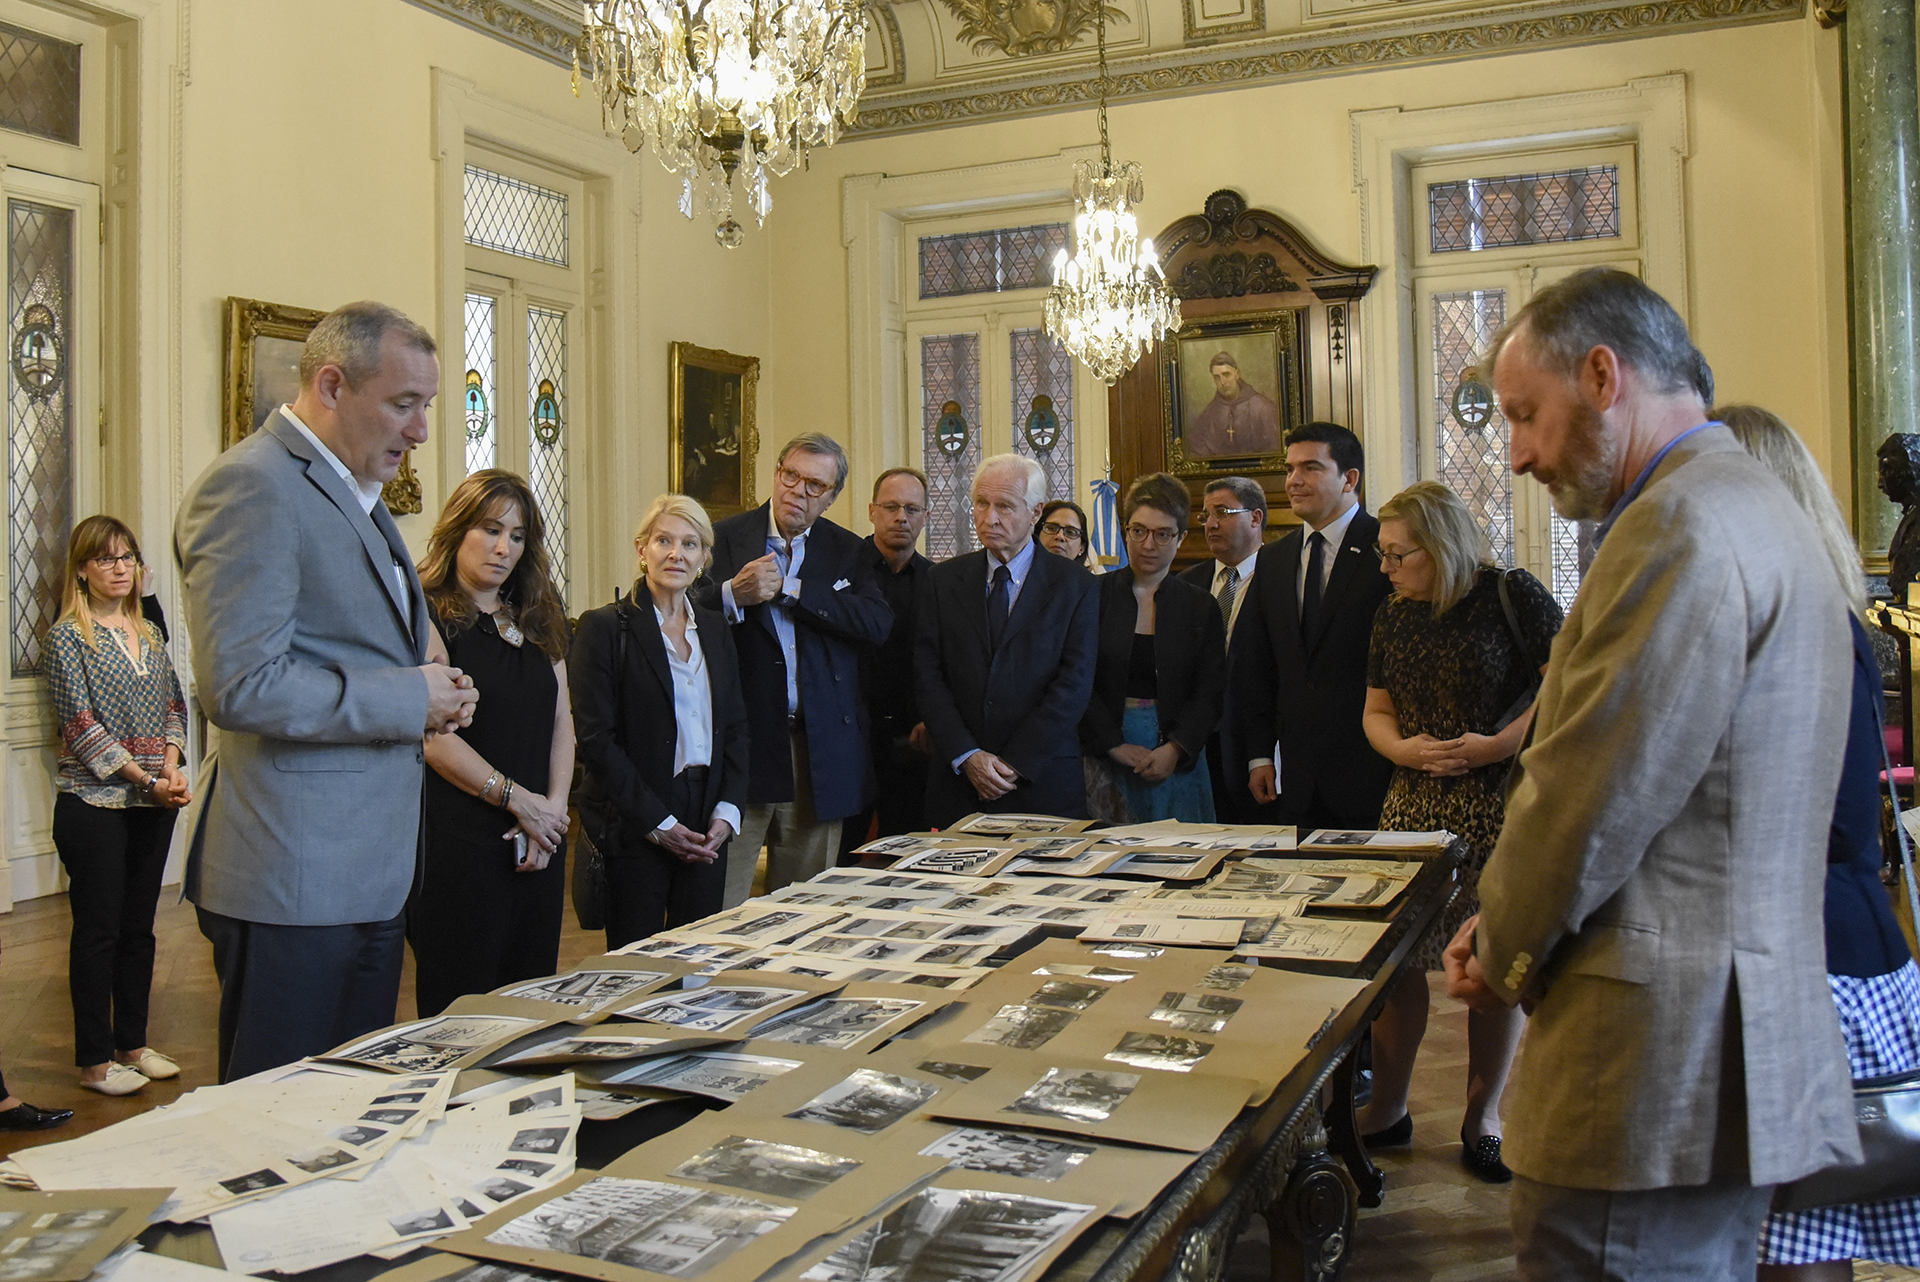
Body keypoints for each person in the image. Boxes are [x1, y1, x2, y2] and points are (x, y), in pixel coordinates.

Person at [1442, 267, 1858, 1278]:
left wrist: (1503, 946)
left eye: (1526, 415)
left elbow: (1589, 795)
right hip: (1723, 1032)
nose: (1522, 453)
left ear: (1601, 374)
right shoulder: (1759, 503)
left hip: (1646, 1062)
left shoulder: (1676, 524)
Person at [175, 300, 477, 1083]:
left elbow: (355, 645)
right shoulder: (253, 486)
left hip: (361, 872)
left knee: (343, 1110)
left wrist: (435, 687)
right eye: (404, 405)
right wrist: (410, 700)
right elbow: (241, 686)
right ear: (334, 386)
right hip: (291, 873)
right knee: (275, 1125)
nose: (418, 431)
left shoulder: (353, 491)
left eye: (427, 408)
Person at [1719, 404, 1920, 1279]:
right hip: (1831, 943)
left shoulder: (1797, 622)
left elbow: (1818, 824)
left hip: (1809, 958)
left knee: (1796, 1244)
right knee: (1801, 1237)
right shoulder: (1817, 608)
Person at [1353, 481, 1561, 1181]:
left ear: (1439, 546)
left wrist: (1496, 745)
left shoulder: (1512, 595)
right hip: (1412, 802)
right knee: (1397, 963)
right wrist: (1405, 750)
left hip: (1496, 801)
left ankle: (1483, 1119)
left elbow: (1566, 687)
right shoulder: (1392, 613)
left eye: (1397, 554)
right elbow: (1376, 710)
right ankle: (1387, 1108)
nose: (1386, 567)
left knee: (1490, 965)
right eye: (1382, 554)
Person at [699, 433, 892, 904]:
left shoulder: (849, 551)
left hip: (817, 749)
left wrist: (795, 589)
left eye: (814, 485)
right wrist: (730, 595)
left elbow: (876, 622)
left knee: (802, 907)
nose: (797, 491)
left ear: (831, 497)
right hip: (741, 748)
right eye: (791, 476)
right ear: (776, 471)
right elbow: (677, 613)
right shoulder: (722, 537)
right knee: (720, 904)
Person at [409, 471, 574, 1017]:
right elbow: (433, 739)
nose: (504, 547)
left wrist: (549, 813)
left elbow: (562, 723)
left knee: (529, 1006)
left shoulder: (537, 615)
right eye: (490, 529)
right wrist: (518, 802)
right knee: (461, 1009)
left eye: (519, 535)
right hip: (461, 844)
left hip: (538, 842)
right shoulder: (427, 615)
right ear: (458, 528)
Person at [42, 515, 193, 1096]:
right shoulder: (66, 638)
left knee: (140, 930)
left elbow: (175, 705)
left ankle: (132, 1043)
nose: (120, 567)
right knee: (98, 931)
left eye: (127, 556)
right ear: (82, 569)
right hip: (94, 802)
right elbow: (80, 726)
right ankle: (95, 1062)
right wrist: (144, 777)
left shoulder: (149, 634)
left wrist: (172, 766)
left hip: (154, 800)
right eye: (105, 559)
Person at [573, 495, 750, 948]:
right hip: (639, 816)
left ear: (704, 558)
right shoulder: (605, 628)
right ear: (641, 550)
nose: (677, 554)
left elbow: (735, 728)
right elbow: (596, 741)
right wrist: (659, 823)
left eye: (690, 544)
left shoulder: (716, 628)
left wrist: (727, 813)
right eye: (664, 541)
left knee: (697, 958)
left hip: (707, 811)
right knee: (638, 961)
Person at [916, 453, 1099, 826]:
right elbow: (927, 676)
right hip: (959, 784)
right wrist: (967, 755)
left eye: (1004, 506)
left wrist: (1014, 763)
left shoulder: (1075, 585)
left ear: (1036, 512)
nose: (989, 518)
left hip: (1041, 781)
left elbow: (1073, 685)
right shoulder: (942, 580)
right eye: (981, 504)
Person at [1235, 422, 1394, 831]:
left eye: (1310, 468)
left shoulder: (1387, 550)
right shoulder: (1274, 559)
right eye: (1289, 469)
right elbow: (1257, 664)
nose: (1293, 481)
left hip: (1375, 772)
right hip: (1297, 780)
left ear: (1349, 479)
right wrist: (1259, 755)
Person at [1080, 472, 1224, 823]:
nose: (1148, 545)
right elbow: (1076, 679)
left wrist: (1175, 750)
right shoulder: (1091, 596)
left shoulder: (1200, 605)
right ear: (1125, 529)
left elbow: (1210, 691)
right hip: (1104, 752)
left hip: (1176, 760)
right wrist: (1113, 744)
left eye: (1162, 534)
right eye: (1139, 530)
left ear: (1181, 538)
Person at [838, 467, 934, 862]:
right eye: (891, 507)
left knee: (904, 861)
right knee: (839, 860)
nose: (901, 517)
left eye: (912, 509)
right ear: (872, 511)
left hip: (912, 743)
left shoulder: (938, 582)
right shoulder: (840, 571)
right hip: (848, 738)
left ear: (925, 517)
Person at [1178, 476, 1266, 821]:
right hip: (1196, 746)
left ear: (1255, 518)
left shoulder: (1280, 576)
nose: (1211, 524)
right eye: (1205, 516)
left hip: (1255, 746)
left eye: (1222, 512)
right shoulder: (1186, 583)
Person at [1186, 351, 1280, 458]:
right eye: (1217, 377)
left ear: (1237, 374)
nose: (1222, 382)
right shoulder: (1210, 413)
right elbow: (1196, 447)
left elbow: (1274, 449)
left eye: (1226, 374)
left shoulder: (1263, 408)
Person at [1037, 500, 1090, 565]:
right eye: (1051, 528)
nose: (1060, 536)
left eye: (1070, 532)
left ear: (1082, 548)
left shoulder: (1086, 575)